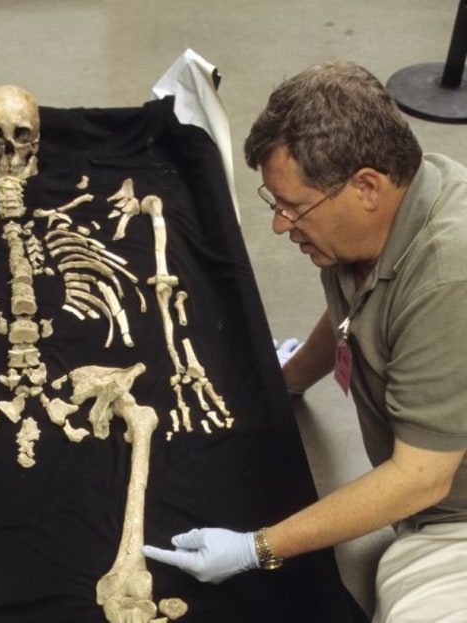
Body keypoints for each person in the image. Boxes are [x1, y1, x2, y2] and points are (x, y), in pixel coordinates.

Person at [142, 60, 467, 622]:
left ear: (366, 186)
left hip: (448, 520)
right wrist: (286, 379)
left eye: (294, 207)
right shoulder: (372, 222)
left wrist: (256, 548)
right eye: (276, 204)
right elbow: (354, 313)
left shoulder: (448, 277)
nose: (280, 226)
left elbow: (420, 480)